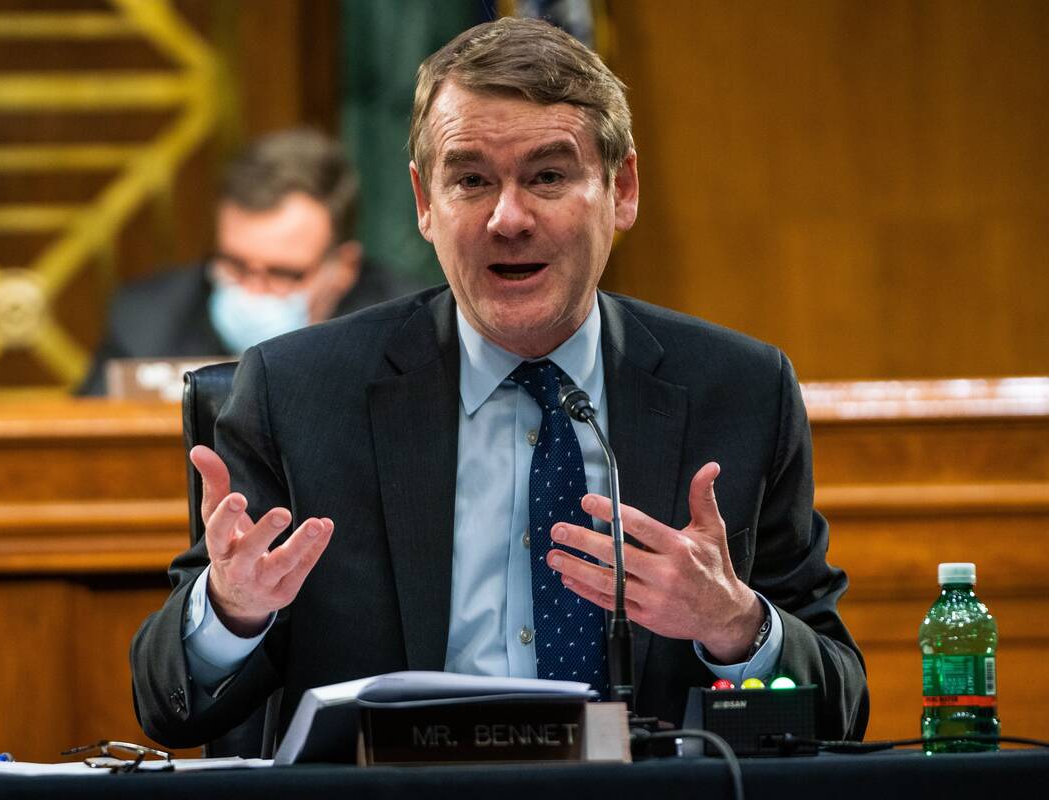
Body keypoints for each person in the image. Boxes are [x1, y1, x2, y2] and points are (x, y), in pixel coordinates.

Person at [130, 18, 868, 755]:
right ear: (424, 201)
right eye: (471, 180)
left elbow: (839, 706)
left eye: (548, 176)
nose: (507, 218)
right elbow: (168, 706)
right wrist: (230, 613)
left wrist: (736, 624)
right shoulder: (297, 394)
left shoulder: (738, 392)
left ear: (622, 190)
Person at [78, 128, 413, 395]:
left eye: (282, 273)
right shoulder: (145, 324)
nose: (252, 291)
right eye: (234, 265)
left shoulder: (409, 338)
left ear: (344, 267)